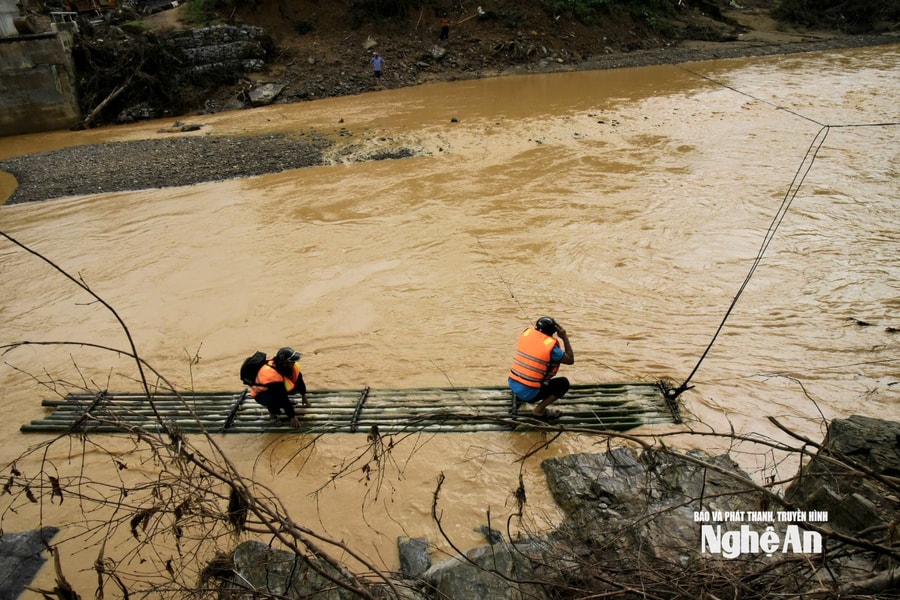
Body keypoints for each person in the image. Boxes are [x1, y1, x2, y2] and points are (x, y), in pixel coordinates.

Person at [507, 317, 574, 419]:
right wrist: (564, 337)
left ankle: (521, 395)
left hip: (513, 384)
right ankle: (539, 410)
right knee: (563, 383)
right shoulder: (551, 348)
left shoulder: (526, 335)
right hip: (529, 394)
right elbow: (570, 360)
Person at [249, 347, 309, 428]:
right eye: (292, 362)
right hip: (261, 394)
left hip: (277, 389)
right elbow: (282, 396)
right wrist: (292, 416)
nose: (294, 363)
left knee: (291, 389)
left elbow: (299, 379)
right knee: (275, 399)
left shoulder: (290, 366)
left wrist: (303, 395)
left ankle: (283, 405)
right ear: (284, 363)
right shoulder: (272, 375)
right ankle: (273, 415)